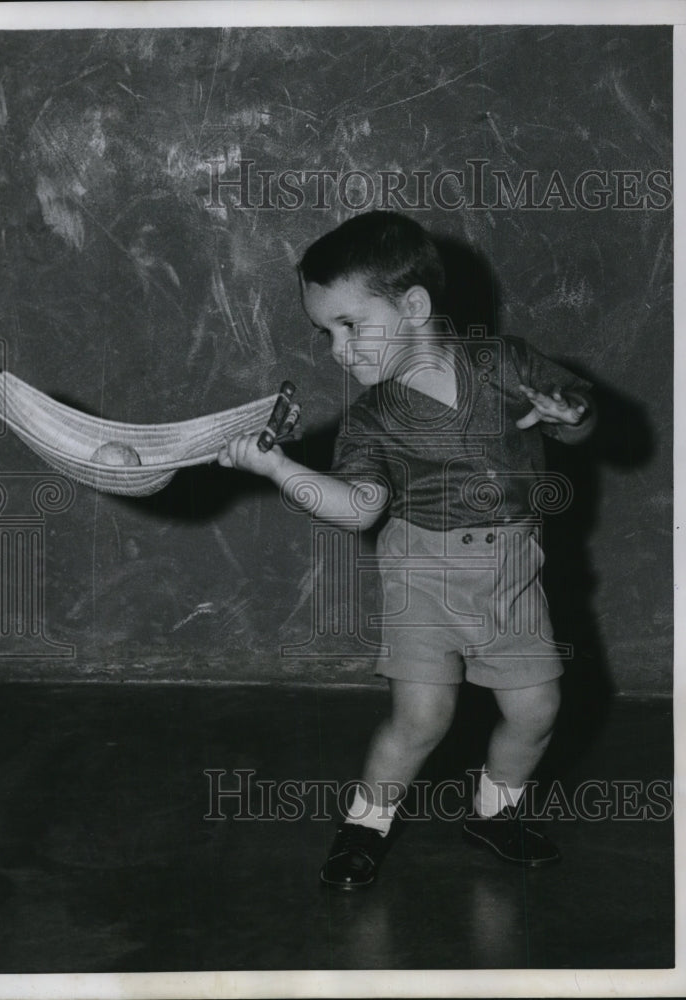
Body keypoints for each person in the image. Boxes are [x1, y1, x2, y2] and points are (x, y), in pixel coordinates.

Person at [217, 211, 596, 890]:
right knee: (421, 717)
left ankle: (494, 811)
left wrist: (571, 410)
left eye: (350, 325)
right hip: (421, 573)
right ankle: (365, 824)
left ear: (413, 306)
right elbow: (357, 507)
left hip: (511, 570)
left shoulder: (502, 362)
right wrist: (279, 470)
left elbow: (577, 413)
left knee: (536, 710)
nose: (337, 349)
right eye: (325, 333)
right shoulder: (371, 418)